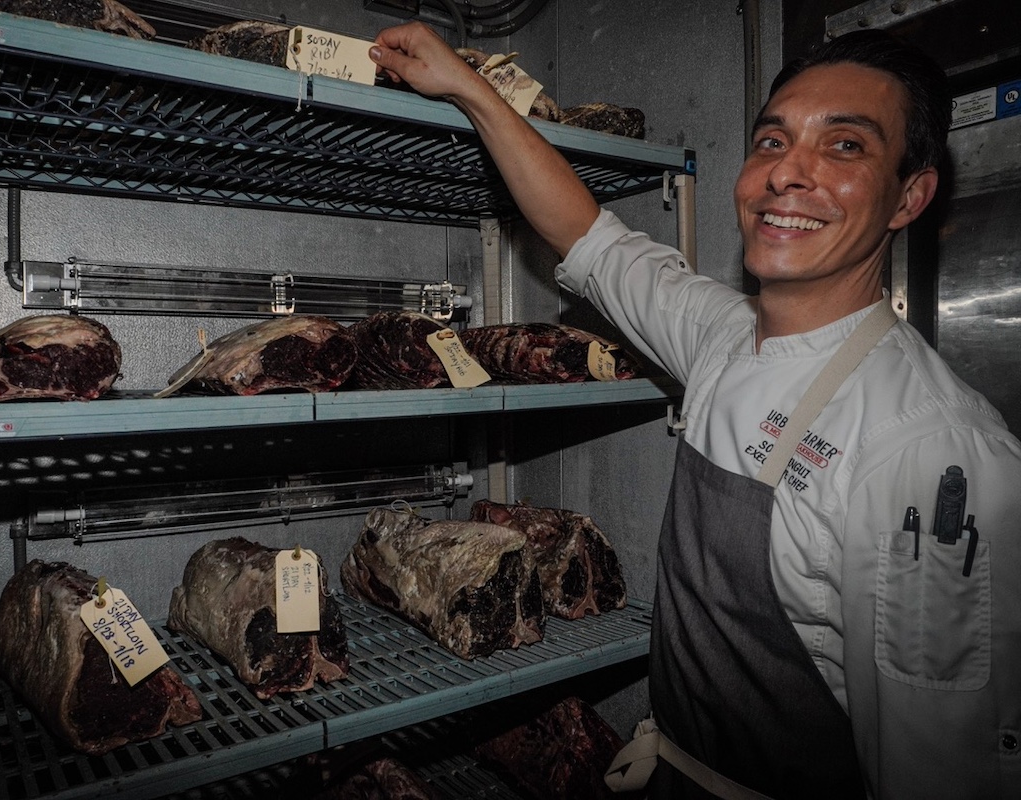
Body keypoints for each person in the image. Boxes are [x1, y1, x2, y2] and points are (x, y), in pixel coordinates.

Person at [367, 21, 1021, 800]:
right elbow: (589, 237)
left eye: (845, 146)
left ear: (909, 196)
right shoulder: (724, 333)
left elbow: (941, 774)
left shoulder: (931, 453)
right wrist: (468, 88)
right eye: (772, 141)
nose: (788, 173)